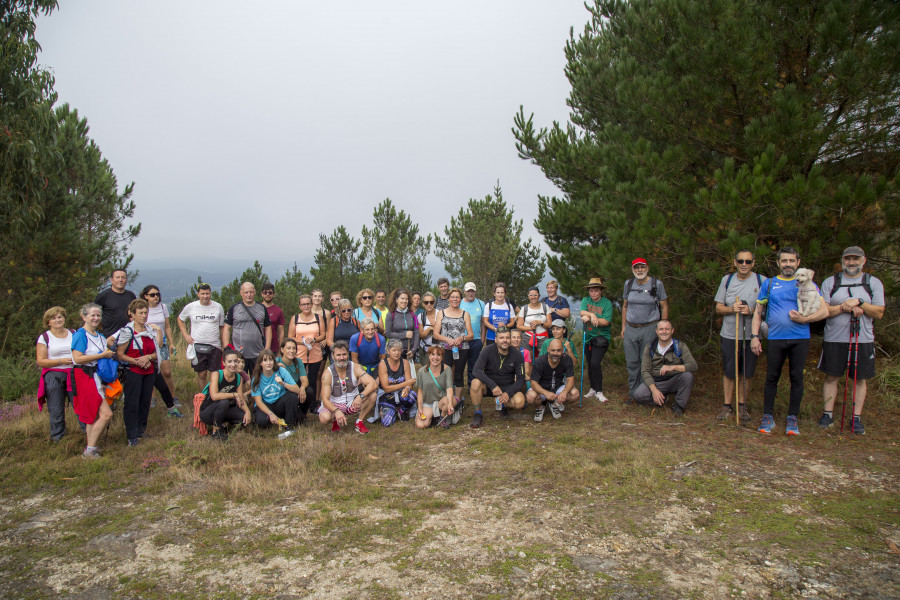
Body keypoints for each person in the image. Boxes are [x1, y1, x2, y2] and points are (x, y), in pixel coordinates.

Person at [751, 247, 829, 435]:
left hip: (800, 338)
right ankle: (767, 417)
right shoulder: (769, 284)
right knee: (771, 377)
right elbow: (758, 313)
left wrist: (805, 319)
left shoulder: (807, 283)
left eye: (791, 261)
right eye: (784, 261)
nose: (788, 264)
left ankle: (792, 418)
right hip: (776, 338)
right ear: (778, 263)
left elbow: (825, 311)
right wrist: (755, 337)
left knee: (796, 378)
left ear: (798, 262)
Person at [817, 246, 886, 434]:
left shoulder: (873, 283)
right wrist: (844, 307)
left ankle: (856, 418)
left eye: (856, 259)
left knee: (860, 379)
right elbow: (823, 311)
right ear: (842, 261)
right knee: (831, 376)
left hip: (862, 339)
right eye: (848, 259)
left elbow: (879, 312)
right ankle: (827, 415)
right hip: (834, 338)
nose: (852, 262)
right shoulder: (830, 282)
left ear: (863, 261)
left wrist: (860, 302)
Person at [713, 250, 767, 425]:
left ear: (753, 263)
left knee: (747, 372)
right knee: (730, 371)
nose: (744, 264)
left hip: (751, 335)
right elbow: (718, 308)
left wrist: (750, 311)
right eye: (741, 261)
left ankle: (742, 406)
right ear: (735, 262)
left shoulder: (762, 281)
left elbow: (769, 307)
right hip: (730, 334)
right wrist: (732, 309)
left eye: (748, 261)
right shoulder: (727, 280)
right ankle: (727, 405)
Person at [71, 303, 115, 459]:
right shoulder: (80, 335)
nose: (96, 318)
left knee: (92, 416)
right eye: (92, 315)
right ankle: (90, 450)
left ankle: (91, 448)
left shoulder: (100, 336)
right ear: (84, 317)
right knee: (106, 415)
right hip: (85, 376)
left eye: (98, 315)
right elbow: (77, 358)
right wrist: (102, 355)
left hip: (97, 377)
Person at [620, 258, 669, 400]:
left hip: (650, 327)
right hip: (631, 328)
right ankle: (633, 392)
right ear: (632, 269)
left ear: (647, 268)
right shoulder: (628, 284)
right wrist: (623, 326)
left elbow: (664, 306)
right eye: (636, 268)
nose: (639, 270)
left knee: (646, 361)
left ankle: (644, 393)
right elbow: (625, 306)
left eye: (642, 267)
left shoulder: (656, 284)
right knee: (631, 362)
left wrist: (663, 327)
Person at [117, 299, 163, 446]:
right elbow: (120, 354)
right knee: (132, 403)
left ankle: (141, 431)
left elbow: (157, 353)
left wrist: (147, 357)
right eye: (141, 313)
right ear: (133, 315)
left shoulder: (150, 331)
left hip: (149, 370)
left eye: (146, 312)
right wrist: (137, 361)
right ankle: (131, 435)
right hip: (133, 371)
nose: (144, 316)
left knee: (145, 402)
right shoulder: (127, 332)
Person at [633, 320, 698, 417]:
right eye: (661, 329)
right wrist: (654, 390)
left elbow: (693, 366)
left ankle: (679, 406)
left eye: (667, 329)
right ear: (656, 331)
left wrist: (673, 367)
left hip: (674, 380)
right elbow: (645, 371)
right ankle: (661, 399)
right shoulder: (649, 347)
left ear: (672, 331)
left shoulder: (680, 346)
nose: (664, 332)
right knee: (638, 395)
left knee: (688, 376)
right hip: (656, 382)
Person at [469, 327, 526, 428]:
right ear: (496, 339)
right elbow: (476, 370)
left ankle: (502, 404)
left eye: (507, 338)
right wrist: (492, 385)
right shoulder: (487, 350)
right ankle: (478, 413)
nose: (505, 340)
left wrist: (509, 393)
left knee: (520, 402)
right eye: (501, 338)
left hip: (507, 387)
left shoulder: (517, 355)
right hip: (490, 387)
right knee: (475, 382)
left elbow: (521, 379)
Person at [141, 285, 182, 417]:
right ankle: (152, 398)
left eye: (157, 294)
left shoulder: (163, 307)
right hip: (147, 345)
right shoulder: (142, 309)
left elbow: (168, 327)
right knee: (150, 372)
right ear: (145, 296)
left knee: (167, 372)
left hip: (162, 344)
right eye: (152, 294)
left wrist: (172, 343)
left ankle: (173, 397)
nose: (156, 297)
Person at [319, 341, 378, 434]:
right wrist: (336, 411)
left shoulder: (356, 367)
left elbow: (373, 383)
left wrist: (360, 396)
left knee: (373, 395)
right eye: (338, 355)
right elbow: (325, 400)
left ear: (348, 354)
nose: (341, 358)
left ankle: (359, 422)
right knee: (324, 418)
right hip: (334, 404)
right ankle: (335, 420)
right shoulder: (327, 373)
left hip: (353, 402)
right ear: (332, 356)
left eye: (344, 354)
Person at [36, 306, 74, 442]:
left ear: (64, 318)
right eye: (53, 318)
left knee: (80, 405)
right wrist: (61, 361)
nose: (57, 320)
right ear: (48, 322)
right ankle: (57, 438)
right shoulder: (44, 337)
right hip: (54, 375)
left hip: (74, 374)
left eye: (60, 317)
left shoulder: (74, 333)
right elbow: (41, 361)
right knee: (56, 409)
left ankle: (88, 435)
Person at [177, 283, 225, 391]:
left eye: (207, 293)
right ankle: (203, 397)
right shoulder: (191, 307)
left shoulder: (218, 307)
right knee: (202, 374)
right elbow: (180, 319)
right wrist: (185, 335)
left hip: (215, 345)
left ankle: (213, 397)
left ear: (211, 293)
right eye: (202, 293)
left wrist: (224, 344)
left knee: (215, 375)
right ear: (198, 294)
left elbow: (222, 327)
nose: (205, 296)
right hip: (197, 344)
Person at [198, 347, 252, 441]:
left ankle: (223, 423)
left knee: (242, 418)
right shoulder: (217, 374)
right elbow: (214, 396)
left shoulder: (238, 378)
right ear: (224, 363)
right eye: (230, 361)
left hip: (224, 409)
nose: (233, 364)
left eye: (235, 361)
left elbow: (241, 399)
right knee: (224, 402)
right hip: (208, 411)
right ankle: (216, 431)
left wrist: (247, 412)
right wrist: (234, 395)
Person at [251, 349, 304, 437]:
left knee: (292, 397)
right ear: (260, 363)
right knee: (262, 422)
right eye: (265, 360)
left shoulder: (280, 371)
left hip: (279, 403)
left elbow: (297, 390)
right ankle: (275, 419)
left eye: (271, 359)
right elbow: (259, 402)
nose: (268, 363)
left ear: (274, 361)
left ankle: (289, 426)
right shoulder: (256, 378)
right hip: (266, 405)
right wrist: (270, 414)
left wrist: (283, 383)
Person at [433, 288, 474, 399]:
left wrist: (462, 338)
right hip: (445, 349)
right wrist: (447, 340)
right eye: (452, 297)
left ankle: (457, 401)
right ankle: (446, 398)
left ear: (460, 299)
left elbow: (471, 335)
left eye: (457, 297)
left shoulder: (465, 314)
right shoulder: (441, 313)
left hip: (461, 349)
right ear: (448, 299)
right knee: (446, 374)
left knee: (459, 374)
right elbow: (436, 334)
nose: (455, 299)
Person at [288, 294, 327, 411]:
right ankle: (299, 403)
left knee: (313, 379)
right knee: (298, 380)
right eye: (303, 304)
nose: (306, 306)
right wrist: (302, 341)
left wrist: (314, 339)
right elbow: (290, 337)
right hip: (299, 355)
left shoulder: (318, 317)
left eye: (308, 303)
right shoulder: (295, 319)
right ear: (300, 306)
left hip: (315, 353)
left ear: (311, 304)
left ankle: (313, 405)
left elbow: (323, 334)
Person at [223, 282, 272, 374]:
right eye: (246, 292)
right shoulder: (234, 308)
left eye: (251, 292)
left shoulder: (262, 308)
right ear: (241, 293)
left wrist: (267, 348)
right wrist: (227, 349)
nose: (249, 295)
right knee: (239, 381)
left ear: (255, 292)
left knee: (257, 380)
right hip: (238, 355)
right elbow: (226, 328)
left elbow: (268, 328)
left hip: (258, 353)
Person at [527, 338, 579, 421]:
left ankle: (554, 404)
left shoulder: (567, 359)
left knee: (575, 393)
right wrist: (546, 393)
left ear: (562, 350)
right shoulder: (539, 361)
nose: (555, 353)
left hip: (558, 387)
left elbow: (571, 380)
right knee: (530, 396)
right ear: (548, 350)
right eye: (553, 350)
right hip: (542, 389)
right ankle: (540, 407)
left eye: (558, 350)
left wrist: (564, 392)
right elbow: (533, 383)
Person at [580, 277, 613, 402]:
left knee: (595, 363)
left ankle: (599, 391)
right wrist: (591, 314)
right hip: (588, 337)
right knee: (590, 363)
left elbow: (605, 321)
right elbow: (582, 311)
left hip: (601, 337)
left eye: (596, 291)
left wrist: (590, 318)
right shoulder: (586, 300)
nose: (593, 293)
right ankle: (592, 388)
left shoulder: (606, 303)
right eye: (591, 291)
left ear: (601, 291)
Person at [415, 345, 461, 429]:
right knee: (421, 425)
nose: (435, 358)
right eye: (433, 354)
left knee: (448, 401)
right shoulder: (422, 371)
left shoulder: (447, 369)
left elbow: (449, 388)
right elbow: (420, 392)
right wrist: (420, 407)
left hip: (441, 401)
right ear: (428, 356)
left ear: (442, 357)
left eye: (438, 355)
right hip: (428, 403)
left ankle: (441, 417)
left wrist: (450, 403)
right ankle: (433, 416)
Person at [377, 339, 418, 427]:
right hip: (387, 396)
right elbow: (386, 388)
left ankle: (402, 411)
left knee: (412, 395)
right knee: (387, 423)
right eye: (394, 350)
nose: (397, 353)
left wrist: (407, 388)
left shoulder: (405, 362)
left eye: (399, 350)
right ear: (388, 351)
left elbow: (410, 384)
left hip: (401, 393)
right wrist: (405, 384)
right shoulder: (383, 364)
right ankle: (388, 408)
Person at [93, 268, 136, 338]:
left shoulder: (131, 296)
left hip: (129, 336)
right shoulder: (103, 296)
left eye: (123, 277)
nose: (120, 280)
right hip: (109, 337)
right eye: (117, 277)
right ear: (112, 280)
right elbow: (93, 314)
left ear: (126, 280)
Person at [276, 338, 311, 420]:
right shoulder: (276, 361)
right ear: (282, 349)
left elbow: (305, 380)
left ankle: (302, 413)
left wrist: (302, 388)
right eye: (288, 348)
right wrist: (276, 366)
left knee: (309, 391)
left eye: (294, 348)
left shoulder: (298, 361)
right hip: (282, 393)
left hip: (295, 389)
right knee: (297, 418)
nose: (291, 351)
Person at [384, 288, 420, 362]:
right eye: (402, 298)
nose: (404, 301)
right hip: (395, 352)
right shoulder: (390, 314)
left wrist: (414, 350)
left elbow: (417, 332)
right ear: (396, 299)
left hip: (409, 352)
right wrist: (404, 335)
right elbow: (388, 333)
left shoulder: (413, 315)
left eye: (406, 299)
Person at [460, 282, 486, 382]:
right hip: (462, 340)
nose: (470, 293)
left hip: (476, 340)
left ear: (475, 291)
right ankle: (458, 387)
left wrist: (482, 338)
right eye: (468, 291)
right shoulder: (460, 303)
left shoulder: (481, 303)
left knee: (474, 365)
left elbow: (483, 323)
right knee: (460, 366)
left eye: (472, 291)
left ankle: (472, 387)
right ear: (464, 292)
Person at [517, 286, 551, 358]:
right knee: (528, 360)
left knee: (545, 358)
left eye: (535, 295)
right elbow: (519, 326)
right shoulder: (524, 309)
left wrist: (540, 323)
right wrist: (530, 328)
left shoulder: (545, 307)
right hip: (527, 337)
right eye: (531, 295)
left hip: (543, 336)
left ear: (539, 296)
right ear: (528, 296)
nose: (533, 297)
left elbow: (549, 324)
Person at [260, 283, 285, 354]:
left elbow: (281, 332)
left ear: (274, 294)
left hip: (273, 348)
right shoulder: (257, 309)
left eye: (270, 292)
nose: (267, 294)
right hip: (258, 347)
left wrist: (280, 350)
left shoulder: (278, 311)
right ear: (262, 294)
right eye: (265, 292)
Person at [418, 292, 438, 363]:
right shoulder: (420, 316)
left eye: (431, 302)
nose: (429, 304)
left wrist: (437, 326)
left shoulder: (440, 314)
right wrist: (430, 328)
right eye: (426, 302)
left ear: (434, 303)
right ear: (423, 304)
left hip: (438, 349)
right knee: (426, 370)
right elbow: (421, 335)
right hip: (425, 349)